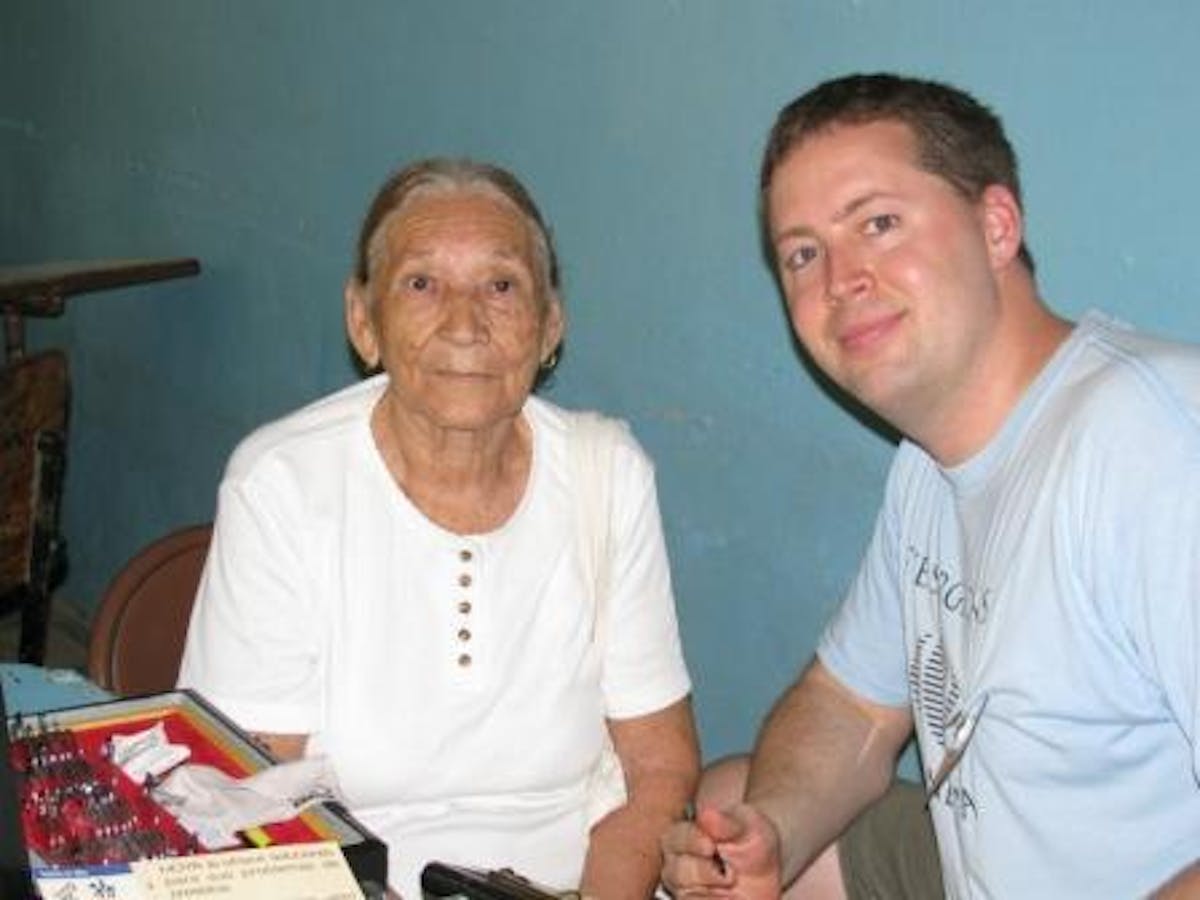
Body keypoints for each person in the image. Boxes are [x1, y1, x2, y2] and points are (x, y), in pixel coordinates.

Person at [661, 73, 1200, 898]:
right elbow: (852, 708)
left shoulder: (1156, 444)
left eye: (878, 224)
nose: (841, 279)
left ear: (996, 225)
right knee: (732, 801)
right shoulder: (930, 464)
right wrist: (772, 831)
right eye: (803, 253)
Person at [178, 158, 699, 899]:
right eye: (422, 284)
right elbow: (248, 802)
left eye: (502, 285)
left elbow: (661, 768)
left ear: (550, 325)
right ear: (365, 322)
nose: (465, 323)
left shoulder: (606, 476)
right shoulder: (284, 486)